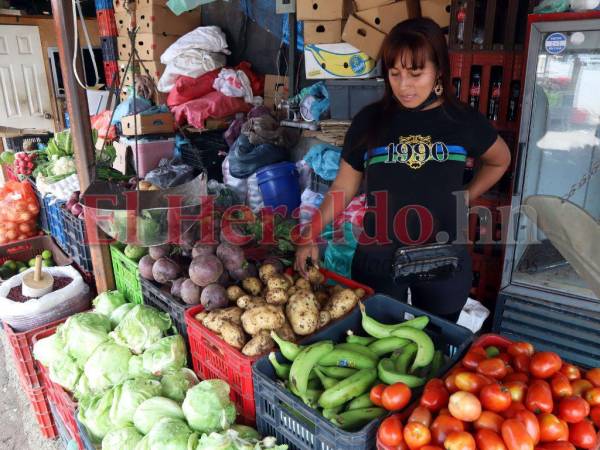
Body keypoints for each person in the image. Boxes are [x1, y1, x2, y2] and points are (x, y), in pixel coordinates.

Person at [295, 18, 511, 322]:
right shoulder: (369, 122)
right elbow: (343, 186)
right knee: (377, 338)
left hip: (443, 255)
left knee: (437, 340)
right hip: (378, 256)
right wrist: (310, 234)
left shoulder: (463, 121)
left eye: (416, 73)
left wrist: (465, 195)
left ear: (438, 70)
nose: (404, 85)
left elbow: (500, 159)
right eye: (395, 74)